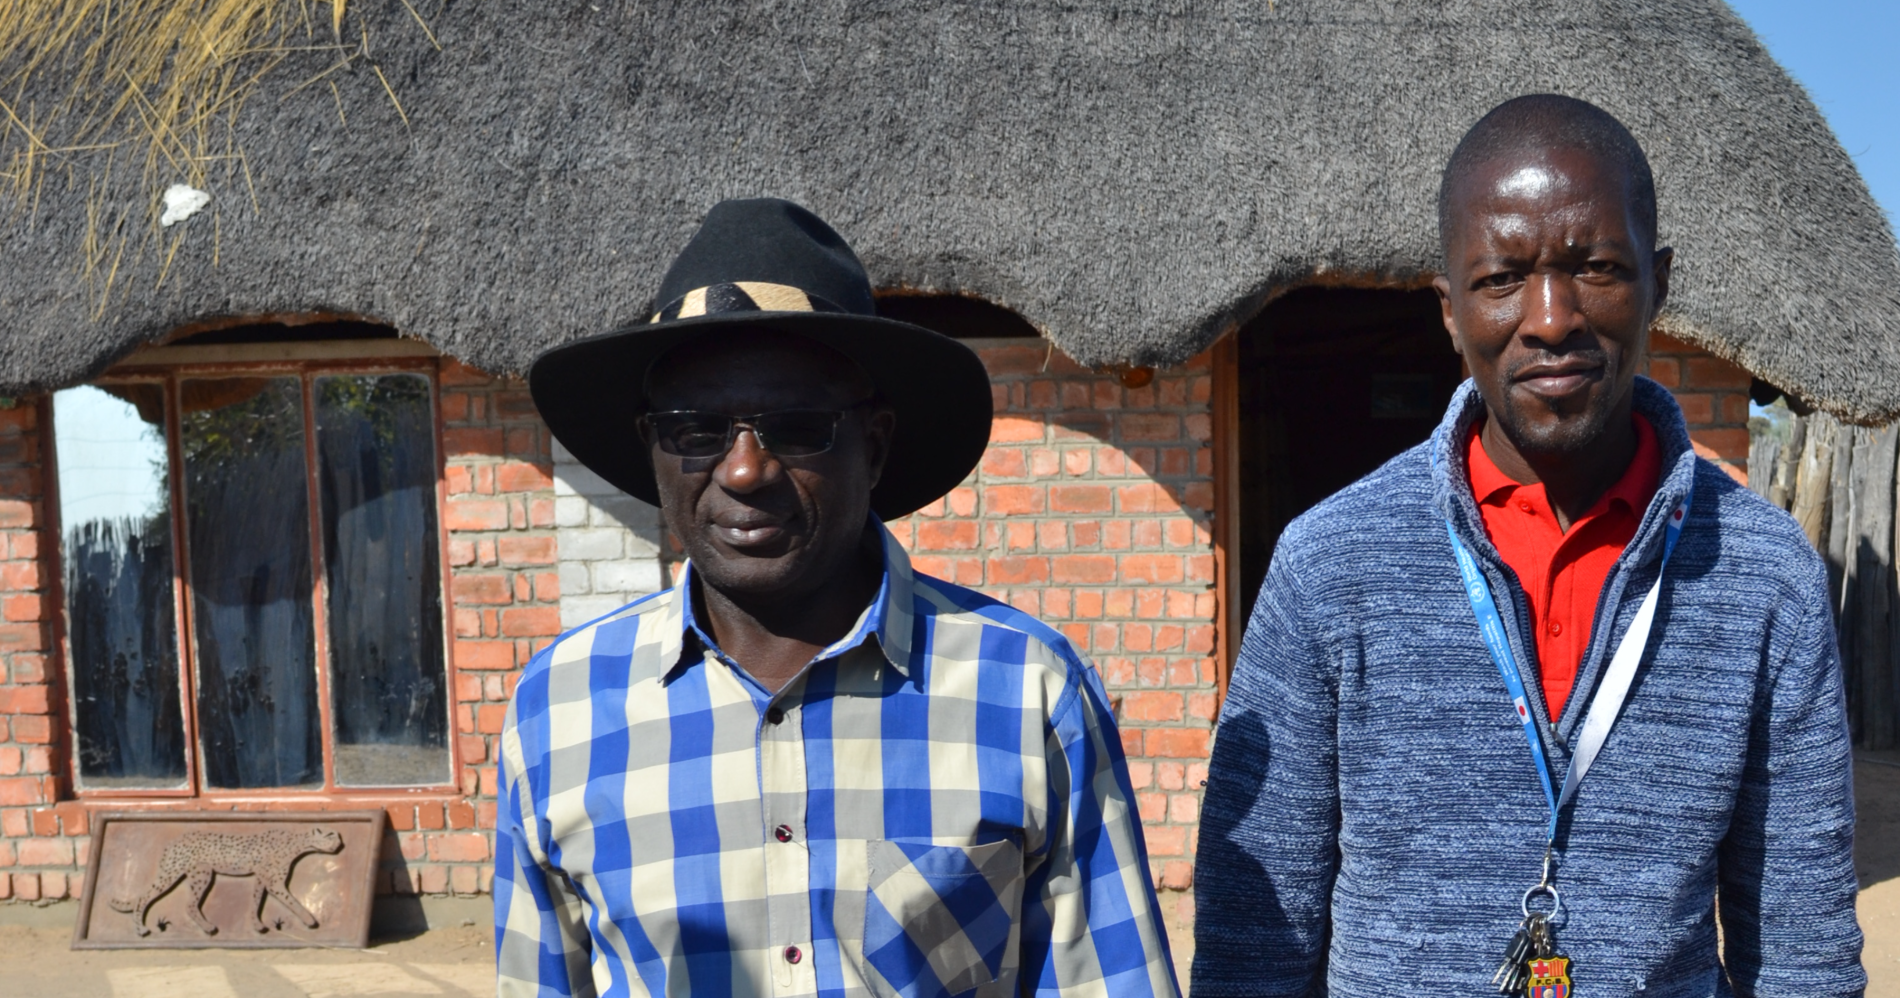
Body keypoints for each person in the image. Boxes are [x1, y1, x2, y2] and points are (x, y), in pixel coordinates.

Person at [1192, 95, 1864, 995]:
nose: (1551, 317)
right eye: (1503, 277)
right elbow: (1252, 939)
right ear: (1449, 309)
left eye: (1594, 267)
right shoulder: (1331, 563)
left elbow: (1800, 948)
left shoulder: (1763, 574)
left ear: (1658, 282)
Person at [497, 198, 1180, 998]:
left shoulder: (1026, 691)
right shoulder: (561, 707)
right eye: (695, 429)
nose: (744, 469)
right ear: (654, 450)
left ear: (876, 443)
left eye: (797, 426)